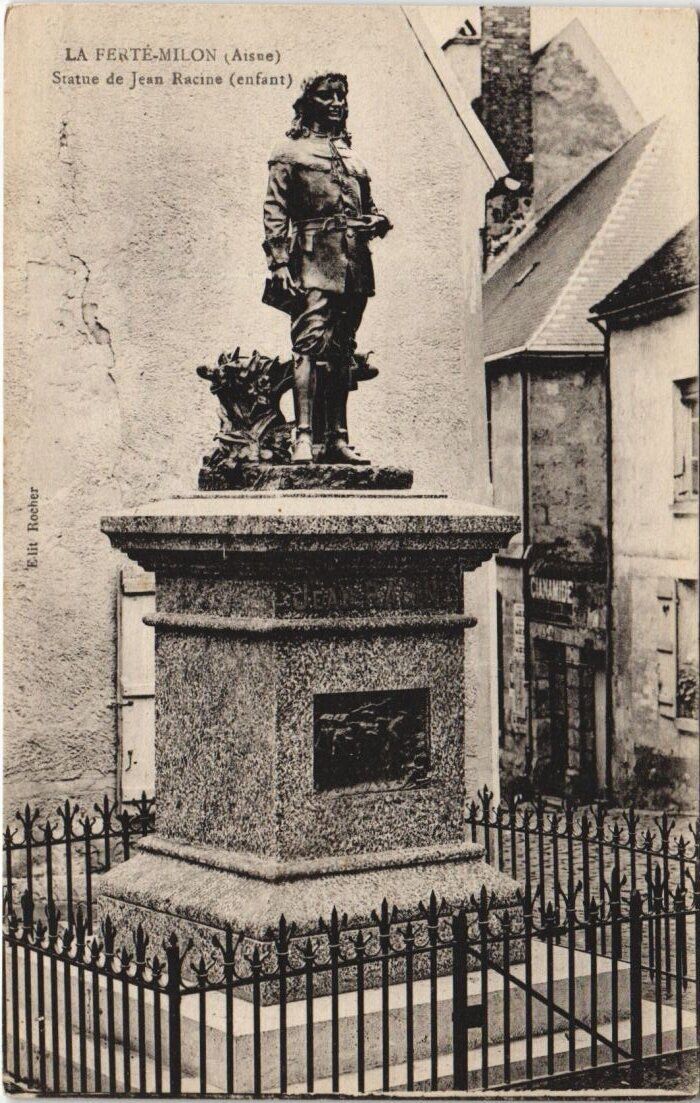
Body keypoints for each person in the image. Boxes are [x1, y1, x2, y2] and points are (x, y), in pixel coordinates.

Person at [262, 71, 392, 464]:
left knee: (342, 350)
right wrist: (279, 262)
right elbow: (275, 210)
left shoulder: (352, 156)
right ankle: (303, 437)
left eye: (341, 96)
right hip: (312, 259)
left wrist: (379, 221)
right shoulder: (289, 152)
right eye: (327, 95)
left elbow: (370, 207)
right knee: (307, 344)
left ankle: (337, 438)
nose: (337, 103)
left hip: (355, 262)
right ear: (308, 102)